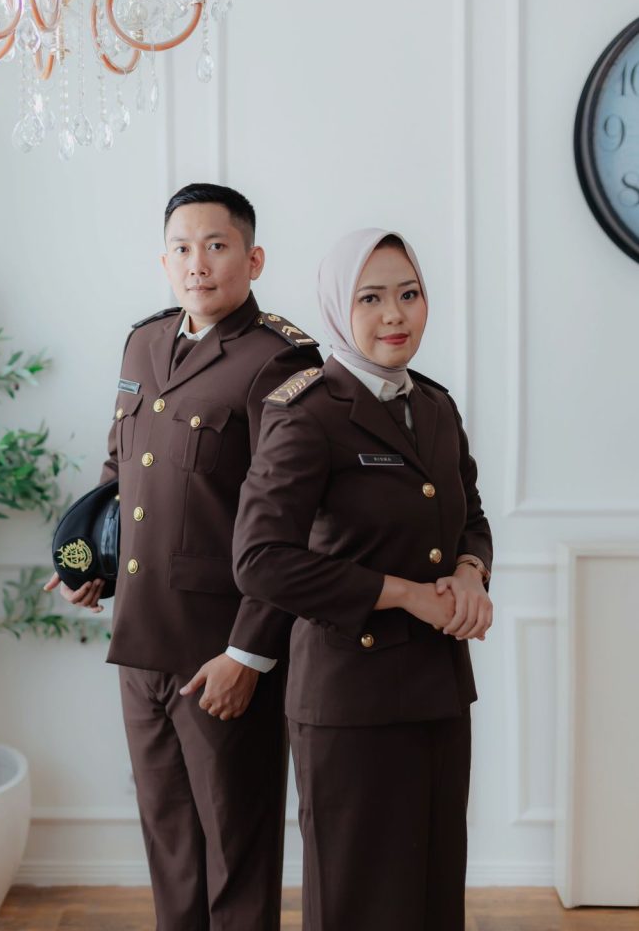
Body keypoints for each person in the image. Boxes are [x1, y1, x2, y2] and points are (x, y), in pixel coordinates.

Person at [44, 183, 321, 931]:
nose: (197, 263)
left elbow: (292, 524)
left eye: (216, 245)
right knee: (169, 847)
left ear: (253, 259)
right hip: (140, 644)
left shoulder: (280, 360)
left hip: (221, 655)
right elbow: (122, 472)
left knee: (236, 853)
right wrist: (90, 567)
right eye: (181, 247)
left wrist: (249, 654)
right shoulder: (144, 343)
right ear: (163, 260)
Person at [232, 228, 493, 931]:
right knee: (356, 904)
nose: (394, 315)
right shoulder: (307, 411)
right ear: (336, 307)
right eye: (370, 298)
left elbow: (469, 517)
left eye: (409, 294)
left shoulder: (434, 407)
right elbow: (259, 558)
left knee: (434, 899)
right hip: (350, 700)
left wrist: (470, 573)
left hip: (439, 689)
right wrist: (405, 595)